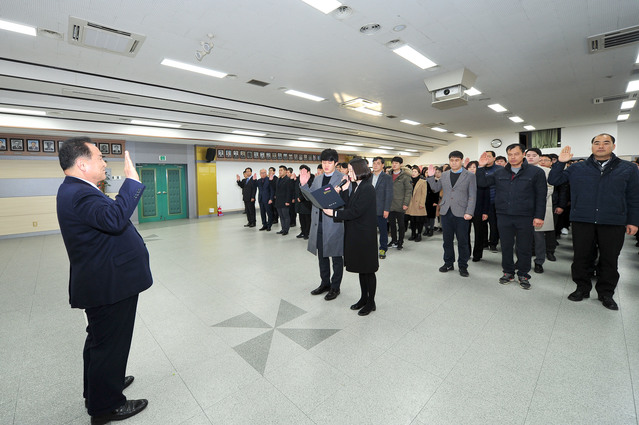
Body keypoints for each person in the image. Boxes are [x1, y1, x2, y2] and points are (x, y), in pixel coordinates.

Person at [56, 137, 151, 424]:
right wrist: (131, 183)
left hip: (104, 279)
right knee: (111, 343)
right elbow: (113, 219)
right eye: (99, 158)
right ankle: (106, 406)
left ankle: (99, 389)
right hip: (109, 284)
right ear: (83, 164)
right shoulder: (79, 194)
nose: (104, 162)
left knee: (100, 341)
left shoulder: (78, 190)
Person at [548, 134, 639, 310]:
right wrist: (560, 162)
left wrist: (633, 221)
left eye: (606, 143)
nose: (601, 146)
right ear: (592, 147)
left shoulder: (628, 168)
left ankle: (606, 293)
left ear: (613, 146)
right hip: (583, 219)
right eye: (597, 143)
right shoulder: (578, 168)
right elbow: (554, 180)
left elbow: (634, 197)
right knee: (581, 257)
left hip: (613, 220)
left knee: (609, 258)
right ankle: (582, 288)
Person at [477, 144, 547, 289]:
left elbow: (541, 196)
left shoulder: (536, 172)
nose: (513, 157)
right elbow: (482, 182)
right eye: (510, 154)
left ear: (523, 154)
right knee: (506, 246)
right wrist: (481, 167)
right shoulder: (500, 172)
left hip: (525, 216)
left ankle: (523, 274)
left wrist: (539, 216)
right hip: (504, 215)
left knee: (524, 247)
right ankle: (508, 272)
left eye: (516, 154)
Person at [323, 158, 379, 315]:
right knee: (362, 269)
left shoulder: (368, 188)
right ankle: (363, 298)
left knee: (368, 270)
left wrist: (334, 213)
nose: (349, 173)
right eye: (348, 170)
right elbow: (349, 206)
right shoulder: (356, 185)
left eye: (352, 171)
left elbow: (355, 212)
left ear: (360, 171)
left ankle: (371, 302)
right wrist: (344, 190)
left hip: (364, 235)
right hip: (356, 233)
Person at [300, 149, 345, 300]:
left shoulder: (342, 178)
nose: (326, 165)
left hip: (334, 224)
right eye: (324, 162)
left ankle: (335, 287)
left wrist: (340, 194)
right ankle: (325, 283)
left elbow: (347, 202)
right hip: (318, 224)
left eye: (329, 162)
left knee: (336, 257)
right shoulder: (318, 179)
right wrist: (304, 185)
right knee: (322, 257)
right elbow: (310, 198)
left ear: (336, 163)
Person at [426, 151, 476, 277]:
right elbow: (436, 189)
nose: (454, 162)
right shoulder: (444, 174)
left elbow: (472, 195)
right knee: (447, 240)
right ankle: (448, 262)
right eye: (451, 160)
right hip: (446, 211)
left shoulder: (469, 175)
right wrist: (431, 177)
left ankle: (463, 265)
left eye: (456, 160)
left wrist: (469, 211)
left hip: (462, 213)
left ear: (461, 161)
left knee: (462, 241)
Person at [525, 148, 555, 273]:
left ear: (539, 157)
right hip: (523, 209)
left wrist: (534, 199)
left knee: (539, 238)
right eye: (528, 155)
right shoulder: (519, 170)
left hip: (539, 208)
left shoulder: (547, 171)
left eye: (534, 155)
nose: (530, 157)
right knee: (523, 237)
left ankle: (539, 261)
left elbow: (549, 189)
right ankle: (522, 260)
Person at [466, 161, 489, 262]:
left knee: (479, 233)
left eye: (474, 167)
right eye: (469, 167)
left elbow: (486, 197)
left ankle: (477, 254)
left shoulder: (482, 180)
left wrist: (485, 211)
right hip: (466, 211)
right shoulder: (464, 180)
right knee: (464, 233)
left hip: (479, 210)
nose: (471, 169)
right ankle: (466, 253)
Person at [388, 156, 412, 250]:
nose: (394, 165)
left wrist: (406, 203)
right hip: (390, 204)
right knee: (392, 224)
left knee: (401, 225)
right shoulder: (388, 176)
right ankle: (394, 240)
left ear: (401, 164)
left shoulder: (405, 177)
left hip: (401, 204)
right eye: (393, 163)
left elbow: (408, 191)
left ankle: (400, 242)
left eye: (396, 163)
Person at [371, 156, 393, 259]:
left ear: (383, 165)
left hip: (381, 209)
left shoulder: (387, 177)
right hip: (369, 210)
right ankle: (370, 248)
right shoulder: (368, 177)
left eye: (378, 163)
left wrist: (386, 209)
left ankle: (383, 248)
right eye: (374, 163)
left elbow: (389, 194)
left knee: (383, 231)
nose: (375, 165)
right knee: (370, 230)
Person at [481, 151, 500, 252]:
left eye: (489, 156)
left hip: (494, 201)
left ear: (494, 158)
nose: (486, 158)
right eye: (485, 156)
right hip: (482, 201)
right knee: (482, 224)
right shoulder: (480, 169)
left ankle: (493, 243)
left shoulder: (499, 169)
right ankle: (484, 242)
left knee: (494, 224)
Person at [406, 165, 427, 242]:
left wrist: (422, 204)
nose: (413, 173)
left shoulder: (423, 182)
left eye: (415, 172)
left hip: (418, 204)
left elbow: (424, 194)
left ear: (419, 173)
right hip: (410, 204)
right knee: (412, 221)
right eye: (412, 171)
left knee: (419, 221)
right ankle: (413, 234)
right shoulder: (409, 181)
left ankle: (419, 234)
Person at [295, 165, 314, 239]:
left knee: (308, 219)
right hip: (300, 203)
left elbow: (309, 191)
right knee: (301, 219)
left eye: (303, 171)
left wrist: (301, 198)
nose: (301, 173)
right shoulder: (299, 178)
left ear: (308, 172)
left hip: (307, 203)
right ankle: (302, 232)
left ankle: (307, 233)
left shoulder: (312, 179)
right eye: (300, 171)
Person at [274, 165, 292, 235]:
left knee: (286, 216)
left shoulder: (287, 180)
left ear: (285, 171)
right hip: (278, 201)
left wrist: (288, 201)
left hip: (285, 201)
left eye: (281, 170)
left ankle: (286, 230)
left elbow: (289, 192)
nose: (280, 172)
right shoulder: (278, 179)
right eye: (279, 170)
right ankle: (283, 228)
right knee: (281, 216)